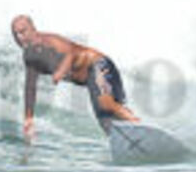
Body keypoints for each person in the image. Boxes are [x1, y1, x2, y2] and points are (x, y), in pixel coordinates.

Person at [12, 14, 140, 141]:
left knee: (106, 104)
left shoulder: (49, 41)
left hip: (98, 64)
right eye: (16, 34)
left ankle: (137, 124)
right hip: (90, 79)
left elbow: (71, 52)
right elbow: (30, 87)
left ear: (33, 29)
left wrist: (61, 71)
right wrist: (28, 119)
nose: (19, 37)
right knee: (104, 120)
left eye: (23, 32)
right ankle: (128, 142)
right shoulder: (30, 58)